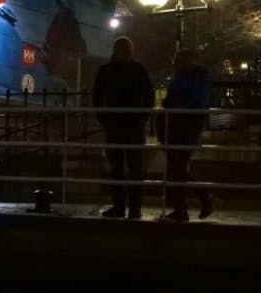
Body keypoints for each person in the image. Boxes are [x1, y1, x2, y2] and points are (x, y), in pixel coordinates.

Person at [91, 36, 154, 219]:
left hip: (117, 124)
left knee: (118, 167)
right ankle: (133, 208)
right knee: (134, 168)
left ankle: (120, 207)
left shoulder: (106, 70)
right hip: (132, 125)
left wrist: (103, 118)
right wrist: (143, 115)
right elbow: (148, 94)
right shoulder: (138, 69)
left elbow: (98, 96)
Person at [159, 49, 213, 222]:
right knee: (178, 168)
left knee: (177, 168)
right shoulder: (195, 77)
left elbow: (195, 102)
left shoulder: (192, 77)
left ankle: (186, 207)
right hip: (181, 126)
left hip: (185, 126)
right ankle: (196, 202)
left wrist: (173, 104)